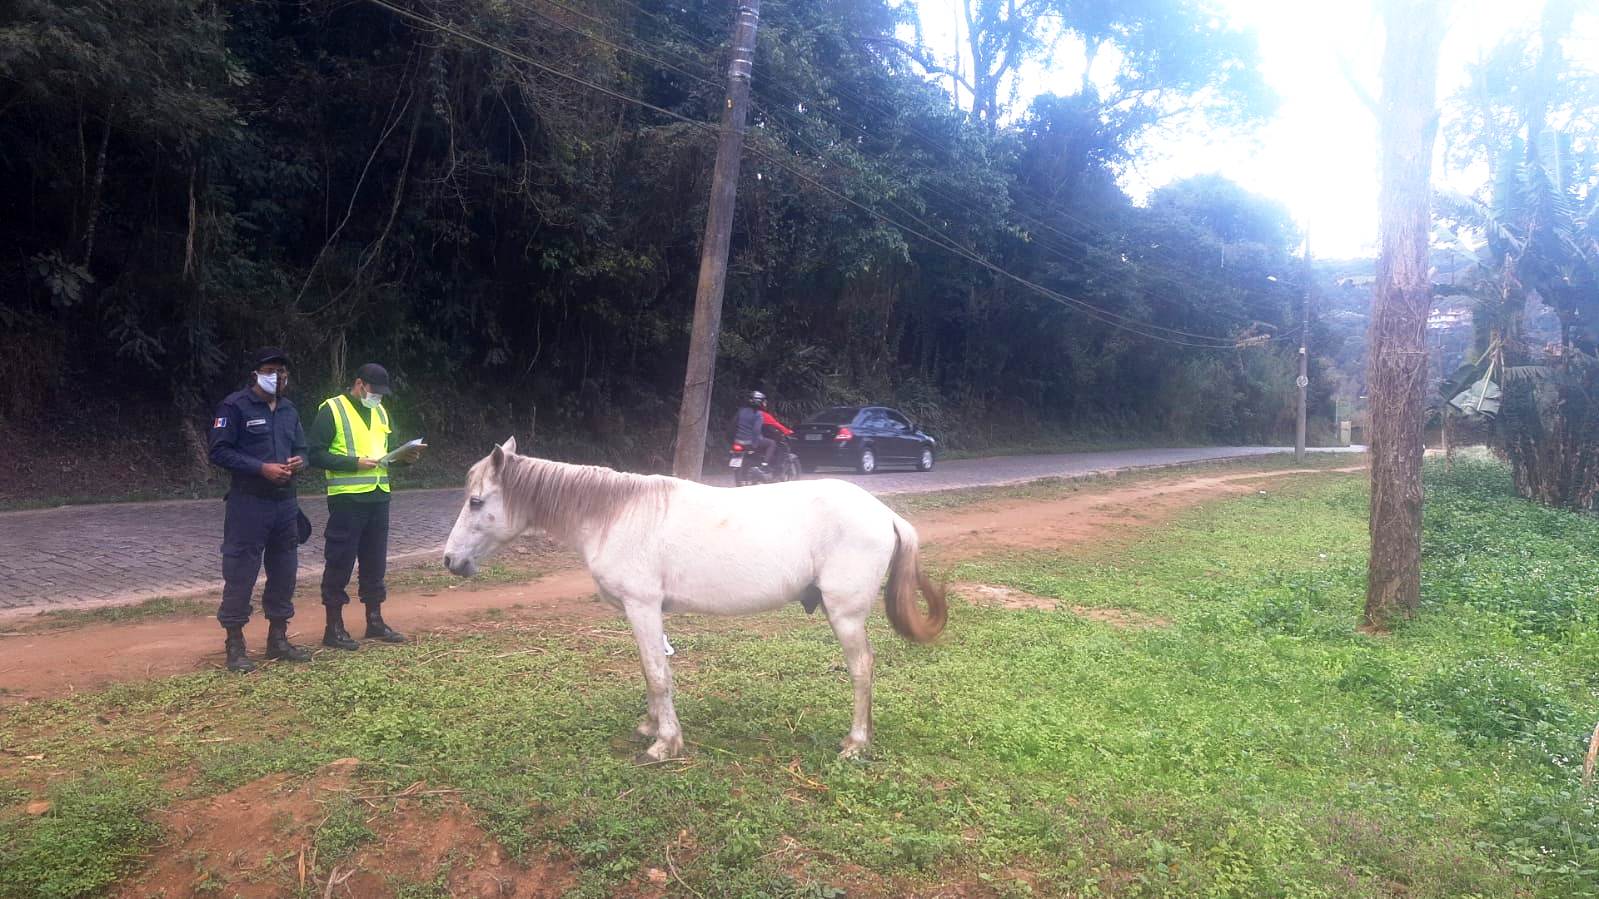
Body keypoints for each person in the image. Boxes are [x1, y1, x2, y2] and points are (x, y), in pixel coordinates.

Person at [208, 347, 312, 672]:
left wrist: (300, 462)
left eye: (282, 372)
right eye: (271, 370)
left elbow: (303, 449)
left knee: (285, 572)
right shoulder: (234, 406)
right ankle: (235, 645)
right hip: (248, 504)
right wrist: (259, 468)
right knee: (240, 573)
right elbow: (219, 451)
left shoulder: (289, 410)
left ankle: (278, 639)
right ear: (256, 374)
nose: (278, 377)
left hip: (285, 505)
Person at [307, 362, 423, 650]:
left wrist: (404, 459)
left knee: (375, 562)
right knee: (340, 561)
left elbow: (388, 450)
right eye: (374, 391)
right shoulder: (332, 410)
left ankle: (375, 620)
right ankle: (333, 627)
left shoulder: (381, 411)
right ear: (359, 384)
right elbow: (314, 454)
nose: (378, 398)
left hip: (378, 495)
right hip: (347, 499)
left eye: (382, 394)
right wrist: (352, 463)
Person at [729, 390, 791, 474]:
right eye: (764, 402)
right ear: (759, 402)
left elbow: (732, 427)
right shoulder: (759, 414)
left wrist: (732, 440)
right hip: (752, 441)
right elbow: (757, 430)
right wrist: (754, 443)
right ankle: (764, 465)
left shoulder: (741, 411)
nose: (765, 404)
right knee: (771, 443)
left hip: (738, 442)